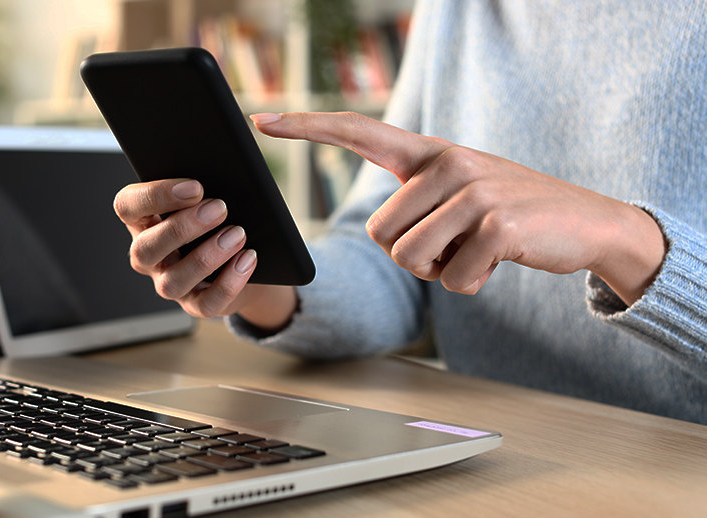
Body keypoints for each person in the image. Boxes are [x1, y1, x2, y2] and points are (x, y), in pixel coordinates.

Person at [112, 0, 707, 424]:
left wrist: (627, 243)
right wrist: (259, 281)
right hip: (492, 446)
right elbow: (394, 262)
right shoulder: (459, 10)